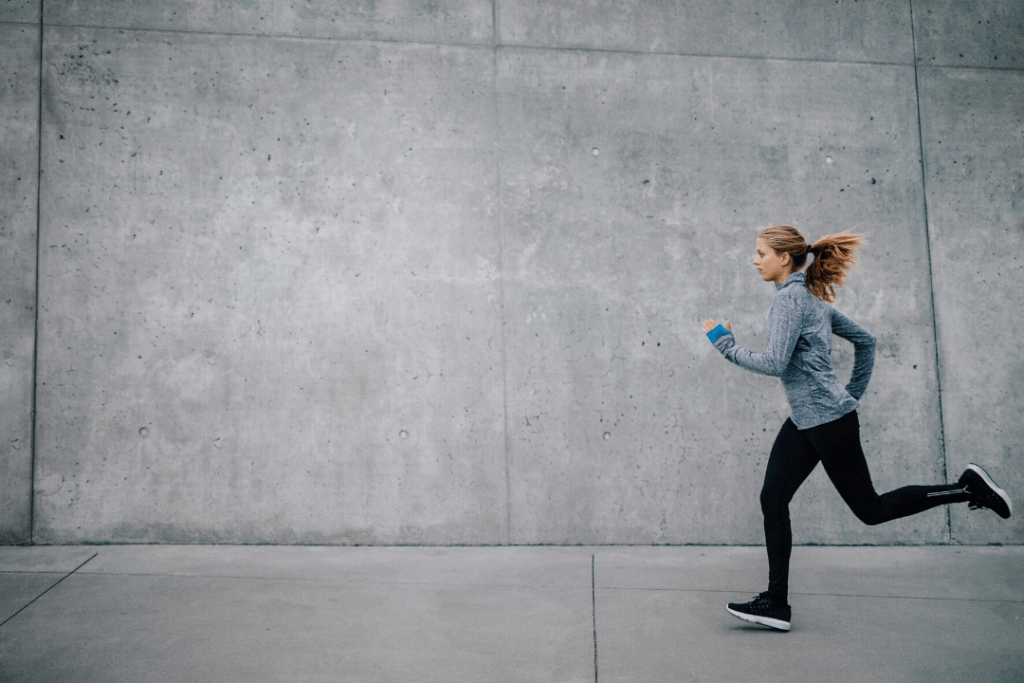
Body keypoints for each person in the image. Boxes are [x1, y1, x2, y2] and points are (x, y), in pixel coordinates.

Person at [701, 224, 1012, 632]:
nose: (754, 260)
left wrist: (725, 344)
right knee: (772, 499)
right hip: (806, 420)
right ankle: (776, 602)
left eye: (760, 253)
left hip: (828, 422)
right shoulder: (807, 300)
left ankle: (968, 488)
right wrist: (850, 395)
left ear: (783, 258)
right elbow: (866, 341)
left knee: (871, 509)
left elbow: (776, 363)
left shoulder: (791, 301)